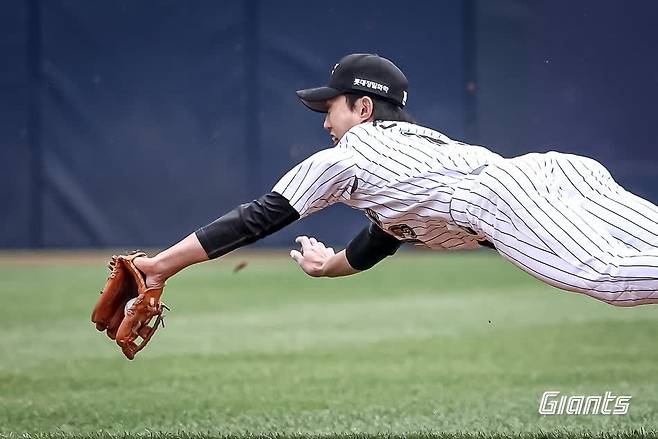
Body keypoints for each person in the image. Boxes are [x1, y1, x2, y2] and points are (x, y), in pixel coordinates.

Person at [133, 53, 658, 307]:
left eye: (331, 109)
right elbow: (384, 235)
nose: (325, 123)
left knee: (610, 278)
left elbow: (260, 216)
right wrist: (330, 266)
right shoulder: (420, 144)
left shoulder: (350, 155)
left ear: (363, 108)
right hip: (564, 171)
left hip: (498, 196)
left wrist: (161, 265)